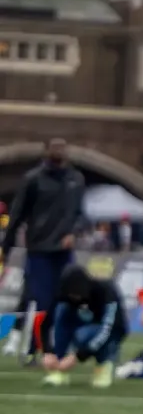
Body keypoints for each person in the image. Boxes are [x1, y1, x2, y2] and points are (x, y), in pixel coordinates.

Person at [0, 138, 84, 361]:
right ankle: (34, 347)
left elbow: (80, 213)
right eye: (55, 146)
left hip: (64, 251)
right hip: (40, 249)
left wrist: (73, 232)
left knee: (63, 299)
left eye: (63, 146)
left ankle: (50, 346)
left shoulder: (76, 179)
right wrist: (6, 246)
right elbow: (18, 214)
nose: (59, 150)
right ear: (46, 151)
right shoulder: (33, 179)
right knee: (41, 300)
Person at [42, 264, 128, 388]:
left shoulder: (106, 292)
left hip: (110, 331)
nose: (74, 298)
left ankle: (103, 365)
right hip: (82, 325)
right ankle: (59, 366)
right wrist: (48, 351)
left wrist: (78, 356)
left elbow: (108, 328)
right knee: (61, 311)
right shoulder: (62, 293)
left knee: (88, 334)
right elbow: (47, 323)